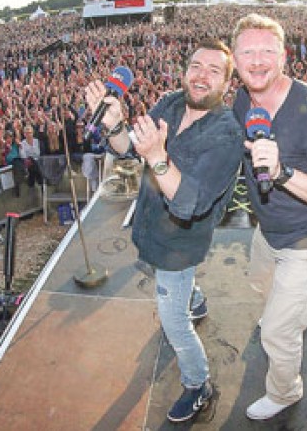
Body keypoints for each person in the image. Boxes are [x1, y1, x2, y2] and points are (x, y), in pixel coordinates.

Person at [83, 38, 243, 423]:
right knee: (177, 287)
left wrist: (157, 157)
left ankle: (198, 382)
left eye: (214, 70)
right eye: (196, 66)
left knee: (174, 324)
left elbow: (189, 202)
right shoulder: (170, 103)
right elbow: (126, 149)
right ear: (185, 70)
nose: (202, 76)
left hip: (179, 244)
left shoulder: (227, 134)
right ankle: (196, 298)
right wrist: (114, 123)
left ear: (226, 85)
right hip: (150, 230)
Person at [230, 13, 307, 421]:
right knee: (262, 286)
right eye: (248, 52)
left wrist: (282, 173)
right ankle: (285, 314)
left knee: (278, 331)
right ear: (234, 59)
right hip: (271, 229)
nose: (258, 60)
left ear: (284, 56)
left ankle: (285, 391)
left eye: (267, 51)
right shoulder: (243, 100)